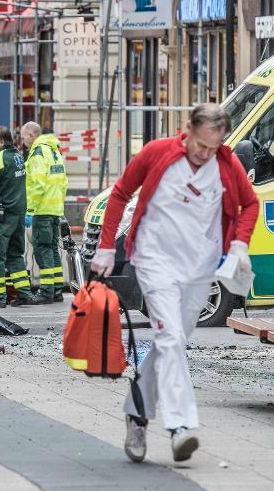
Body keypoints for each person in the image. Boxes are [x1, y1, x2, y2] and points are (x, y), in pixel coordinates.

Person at [91, 103, 259, 464]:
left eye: (213, 148)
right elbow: (120, 193)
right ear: (187, 130)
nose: (204, 155)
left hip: (200, 270)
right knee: (169, 339)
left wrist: (241, 244)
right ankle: (181, 427)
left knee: (173, 344)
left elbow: (250, 204)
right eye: (200, 146)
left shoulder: (227, 165)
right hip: (156, 263)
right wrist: (106, 246)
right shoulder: (157, 153)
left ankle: (136, 414)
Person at [0, 126, 47, 308]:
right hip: (17, 214)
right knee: (15, 255)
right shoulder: (17, 157)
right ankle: (24, 294)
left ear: (1, 142)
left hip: (2, 216)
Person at [20, 122, 69, 303]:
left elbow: (38, 185)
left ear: (32, 135)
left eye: (24, 136)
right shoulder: (54, 151)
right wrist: (59, 207)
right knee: (52, 250)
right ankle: (57, 290)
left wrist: (30, 210)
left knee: (42, 251)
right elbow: (63, 182)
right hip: (54, 209)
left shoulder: (38, 153)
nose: (23, 140)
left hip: (41, 210)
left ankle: (46, 291)